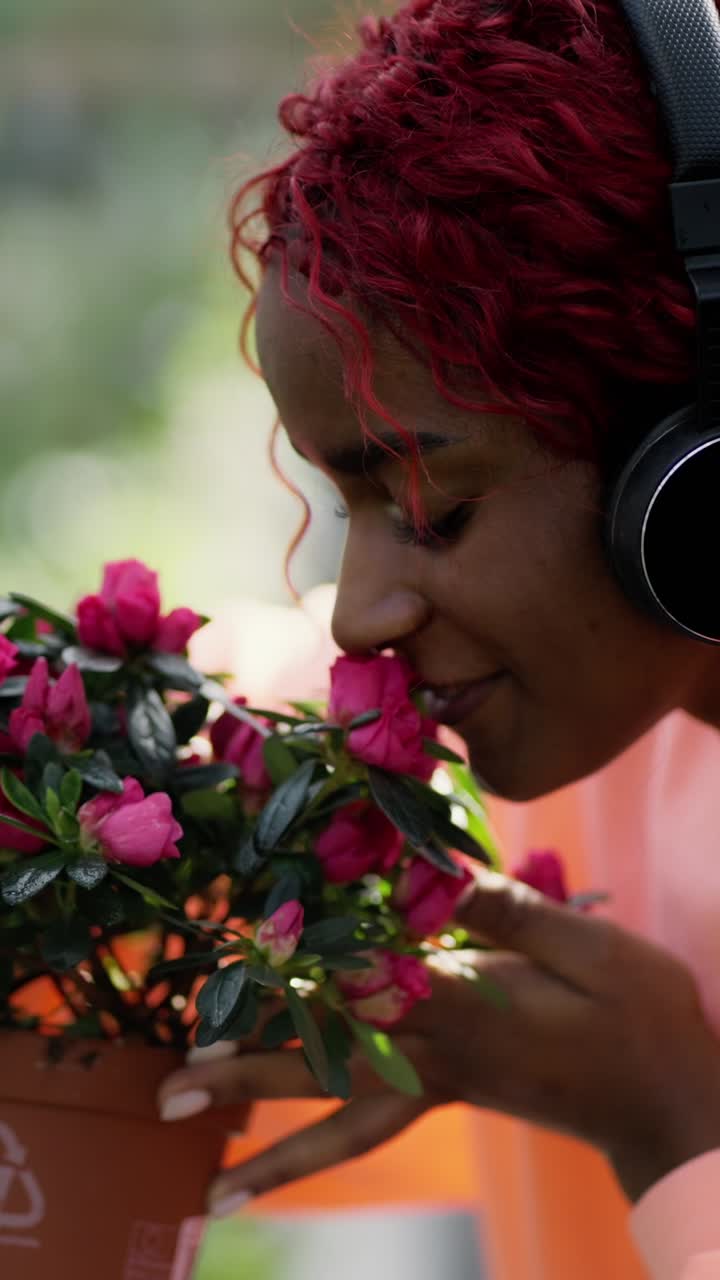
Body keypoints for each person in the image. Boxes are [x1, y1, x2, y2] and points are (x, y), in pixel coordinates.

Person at [157, 2, 720, 1275]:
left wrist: (670, 1121)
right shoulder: (524, 716)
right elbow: (180, 743)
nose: (360, 615)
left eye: (435, 506)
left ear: (686, 471)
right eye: (348, 506)